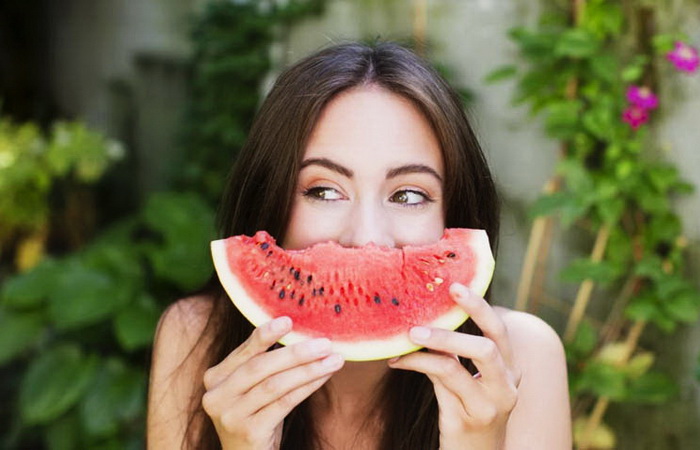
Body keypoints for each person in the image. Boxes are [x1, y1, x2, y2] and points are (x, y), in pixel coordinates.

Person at [147, 41, 571, 449]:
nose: (367, 237)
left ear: (455, 214)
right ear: (269, 197)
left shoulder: (526, 357)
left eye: (408, 195)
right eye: (323, 191)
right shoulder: (194, 338)